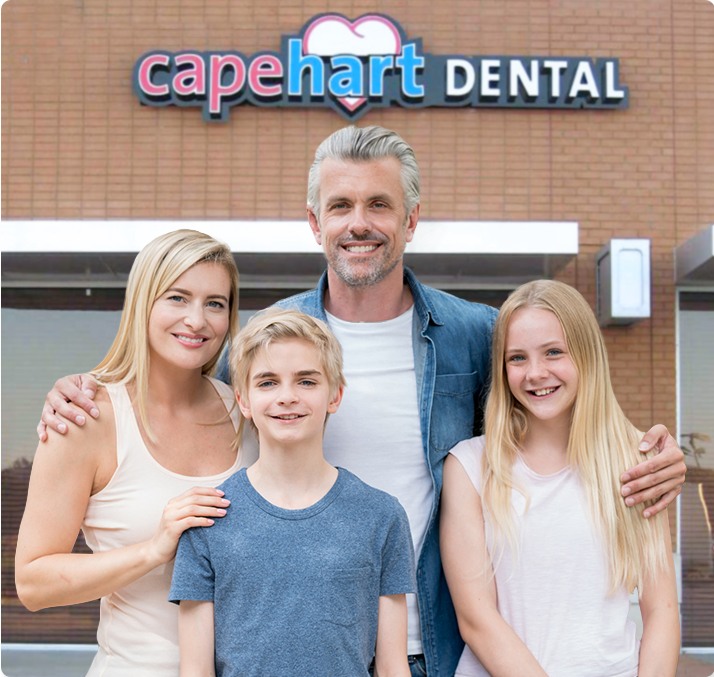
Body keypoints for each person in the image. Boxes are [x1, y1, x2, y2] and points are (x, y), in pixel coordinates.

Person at [37, 126, 686, 676]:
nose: (359, 222)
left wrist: (653, 450)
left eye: (379, 203)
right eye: (340, 204)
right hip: (294, 643)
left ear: (411, 219)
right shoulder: (263, 342)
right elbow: (175, 377)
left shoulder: (473, 334)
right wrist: (82, 385)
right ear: (314, 222)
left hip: (429, 644)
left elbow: (553, 405)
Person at [16, 230, 242, 676]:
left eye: (215, 303)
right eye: (178, 297)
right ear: (143, 302)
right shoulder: (85, 416)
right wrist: (154, 549)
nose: (197, 320)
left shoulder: (248, 410)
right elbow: (33, 582)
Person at [440, 280, 680, 676]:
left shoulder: (638, 460)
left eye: (553, 352)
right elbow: (477, 620)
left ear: (585, 355)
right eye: (517, 358)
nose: (535, 373)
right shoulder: (470, 465)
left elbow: (662, 611)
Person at [170, 308, 416, 676]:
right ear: (244, 400)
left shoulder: (382, 516)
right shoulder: (208, 518)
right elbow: (195, 671)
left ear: (335, 395)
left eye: (306, 381)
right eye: (268, 382)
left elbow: (393, 667)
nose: (287, 396)